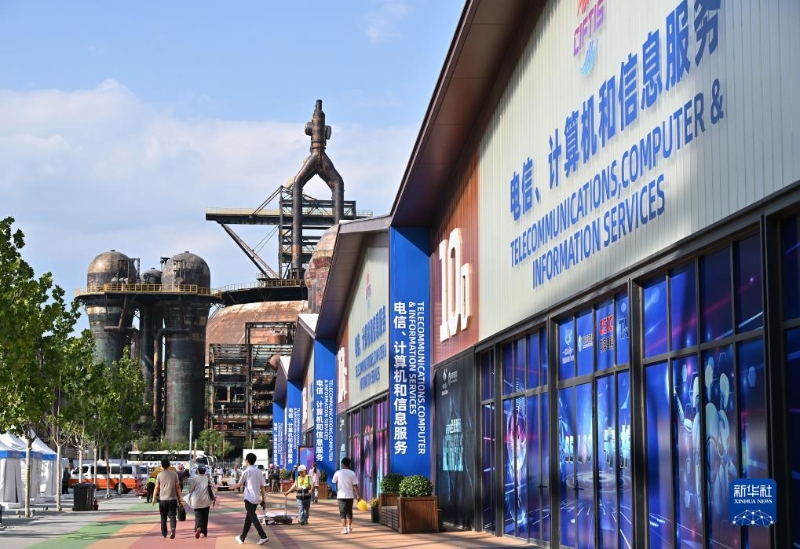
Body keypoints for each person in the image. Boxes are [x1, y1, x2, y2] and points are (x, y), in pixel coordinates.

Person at [230, 452, 269, 545]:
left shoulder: (246, 471)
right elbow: (262, 487)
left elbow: (240, 484)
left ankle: (263, 536)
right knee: (249, 518)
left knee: (252, 516)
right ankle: (242, 538)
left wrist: (231, 487)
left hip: (249, 498)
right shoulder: (259, 472)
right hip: (256, 498)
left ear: (247, 461)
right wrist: (264, 499)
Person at [152, 459, 184, 539]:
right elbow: (178, 487)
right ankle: (173, 528)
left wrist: (154, 498)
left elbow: (156, 487)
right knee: (172, 515)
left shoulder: (159, 475)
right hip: (172, 499)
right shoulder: (174, 474)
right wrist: (180, 498)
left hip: (162, 499)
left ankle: (164, 534)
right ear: (169, 465)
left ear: (162, 466)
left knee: (163, 517)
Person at [332, 457, 360, 534]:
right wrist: (358, 495)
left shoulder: (338, 472)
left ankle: (344, 528)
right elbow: (355, 485)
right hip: (350, 495)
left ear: (342, 464)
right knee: (349, 512)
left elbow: (334, 481)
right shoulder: (352, 473)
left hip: (341, 495)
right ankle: (349, 527)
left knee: (342, 512)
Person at [186, 465, 216, 538]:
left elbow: (191, 490)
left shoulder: (194, 478)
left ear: (198, 470)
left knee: (198, 515)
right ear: (205, 471)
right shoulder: (207, 478)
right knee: (205, 516)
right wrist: (214, 497)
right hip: (206, 500)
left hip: (196, 500)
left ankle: (198, 527)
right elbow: (212, 487)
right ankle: (204, 532)